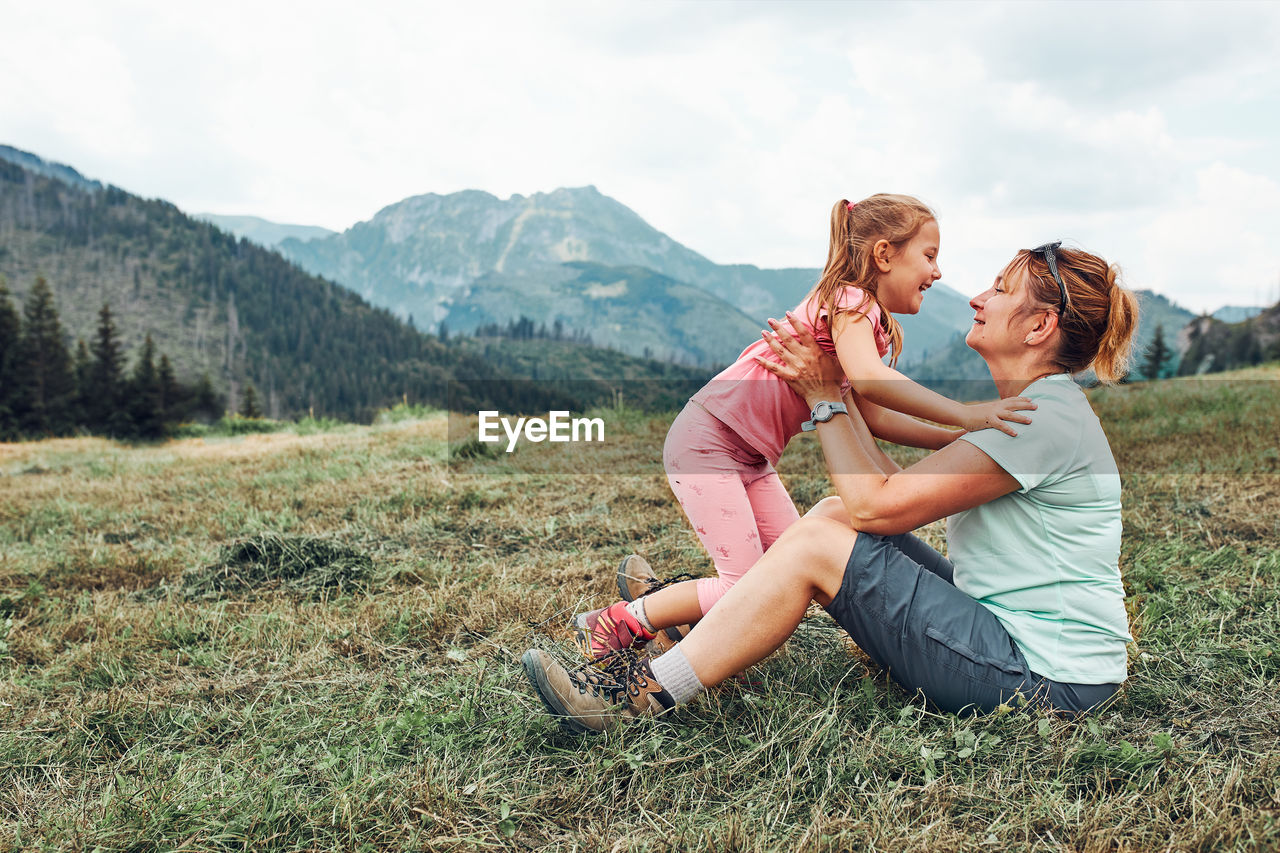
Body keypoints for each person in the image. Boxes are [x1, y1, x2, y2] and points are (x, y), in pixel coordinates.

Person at [524, 242, 1139, 732]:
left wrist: (823, 398)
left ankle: (641, 696)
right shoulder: (1038, 411)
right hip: (1018, 639)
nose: (978, 298)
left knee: (824, 539)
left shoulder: (1038, 421)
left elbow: (877, 504)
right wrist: (842, 394)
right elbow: (886, 495)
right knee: (830, 514)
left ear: (1039, 327)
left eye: (1000, 291)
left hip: (1046, 678)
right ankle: (705, 615)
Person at [573, 195, 1034, 662]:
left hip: (751, 456)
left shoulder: (863, 320)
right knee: (745, 585)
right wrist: (965, 414)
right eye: (929, 256)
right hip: (708, 441)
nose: (937, 273)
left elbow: (873, 413)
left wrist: (952, 438)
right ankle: (621, 620)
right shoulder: (851, 301)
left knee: (782, 567)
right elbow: (876, 385)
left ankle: (680, 618)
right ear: (884, 255)